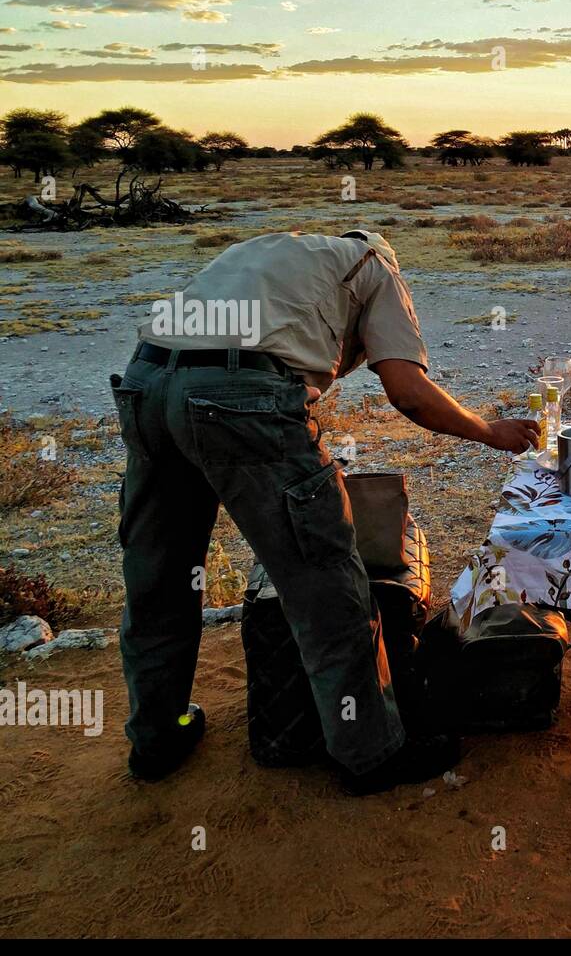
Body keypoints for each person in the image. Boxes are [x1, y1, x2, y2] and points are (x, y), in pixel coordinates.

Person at [110, 230, 538, 794]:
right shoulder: (375, 266)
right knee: (326, 579)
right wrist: (489, 431)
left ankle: (158, 735)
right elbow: (407, 389)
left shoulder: (270, 249)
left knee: (158, 575)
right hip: (240, 397)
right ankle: (372, 752)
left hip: (146, 387)